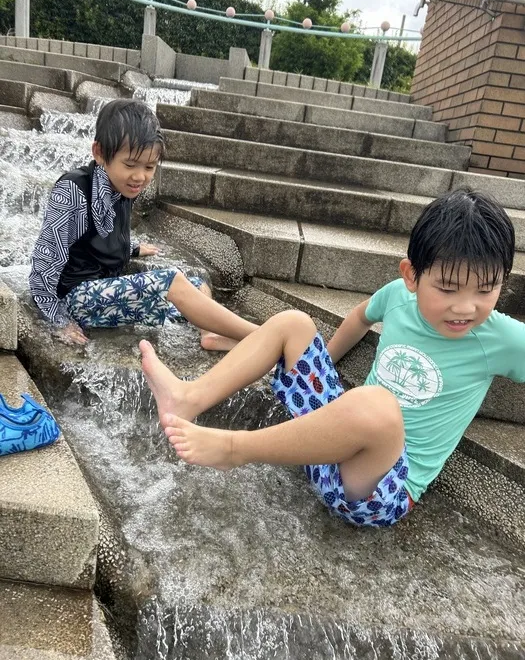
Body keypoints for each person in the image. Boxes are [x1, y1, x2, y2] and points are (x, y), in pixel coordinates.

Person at [139, 189, 525, 528]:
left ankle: (234, 449)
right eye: (447, 287)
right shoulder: (397, 296)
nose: (466, 307)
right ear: (411, 275)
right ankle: (189, 399)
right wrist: (323, 364)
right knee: (294, 322)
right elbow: (358, 318)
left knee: (377, 404)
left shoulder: (500, 337)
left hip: (377, 491)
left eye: (486, 290)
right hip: (326, 445)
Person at [29, 99, 257, 349]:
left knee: (196, 283)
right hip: (76, 299)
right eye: (130, 165)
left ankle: (210, 334)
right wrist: (60, 321)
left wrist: (133, 249)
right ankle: (260, 336)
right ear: (100, 153)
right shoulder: (73, 191)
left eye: (149, 167)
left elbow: (98, 241)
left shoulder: (122, 188)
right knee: (172, 281)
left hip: (104, 292)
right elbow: (43, 267)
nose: (140, 176)